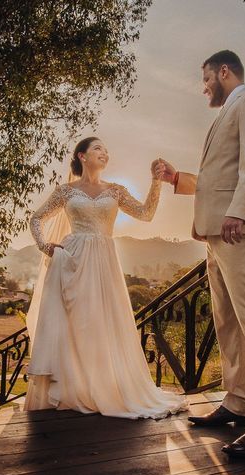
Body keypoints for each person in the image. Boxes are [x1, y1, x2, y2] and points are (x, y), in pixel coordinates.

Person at [153, 50, 245, 458]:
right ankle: (238, 402)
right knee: (228, 323)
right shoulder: (225, 115)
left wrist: (238, 211)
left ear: (224, 71)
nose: (204, 87)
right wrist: (177, 178)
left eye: (207, 79)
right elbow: (219, 179)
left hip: (242, 230)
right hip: (219, 236)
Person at [23, 136, 188, 419]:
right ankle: (74, 390)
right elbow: (36, 219)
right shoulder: (65, 191)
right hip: (72, 260)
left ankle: (103, 389)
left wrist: (156, 181)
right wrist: (45, 245)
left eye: (107, 150)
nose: (105, 153)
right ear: (82, 156)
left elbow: (146, 214)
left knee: (102, 323)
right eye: (98, 148)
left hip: (104, 262)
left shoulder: (116, 191)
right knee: (75, 325)